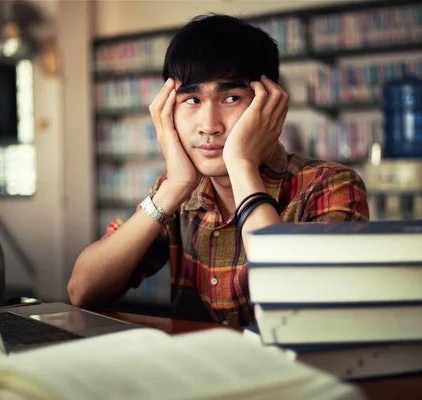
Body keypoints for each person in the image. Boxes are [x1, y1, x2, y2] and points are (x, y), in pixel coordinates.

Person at [68, 14, 369, 326]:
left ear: (271, 105)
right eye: (193, 99)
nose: (209, 126)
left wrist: (241, 164)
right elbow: (82, 291)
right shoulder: (178, 192)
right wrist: (173, 187)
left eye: (231, 98)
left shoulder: (330, 185)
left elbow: (299, 312)